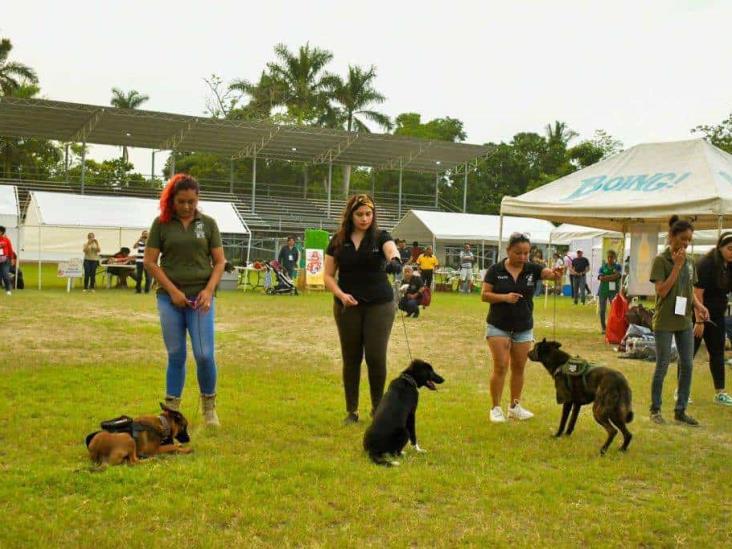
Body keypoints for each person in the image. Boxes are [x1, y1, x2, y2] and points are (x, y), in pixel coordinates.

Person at [144, 174, 226, 427]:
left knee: (203, 354)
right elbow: (149, 262)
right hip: (170, 299)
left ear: (198, 199)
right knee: (176, 354)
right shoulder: (161, 224)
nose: (187, 206)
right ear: (172, 200)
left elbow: (220, 261)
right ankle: (171, 412)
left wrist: (209, 291)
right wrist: (173, 292)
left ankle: (209, 409)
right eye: (181, 201)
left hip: (200, 298)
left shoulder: (209, 224)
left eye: (192, 201)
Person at [324, 193, 402, 424]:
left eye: (369, 214)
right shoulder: (338, 240)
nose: (364, 218)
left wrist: (395, 261)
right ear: (351, 215)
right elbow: (328, 275)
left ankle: (378, 408)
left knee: (376, 357)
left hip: (380, 304)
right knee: (351, 358)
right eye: (359, 214)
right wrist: (340, 295)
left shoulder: (380, 236)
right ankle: (352, 410)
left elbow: (392, 251)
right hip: (348, 305)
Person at [482, 232, 562, 423]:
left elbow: (548, 275)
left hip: (524, 326)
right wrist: (504, 298)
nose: (523, 257)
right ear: (508, 250)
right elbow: (485, 295)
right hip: (498, 325)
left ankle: (515, 406)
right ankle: (495, 408)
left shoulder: (532, 269)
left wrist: (556, 274)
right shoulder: (495, 270)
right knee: (501, 366)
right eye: (518, 253)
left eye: (526, 253)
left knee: (519, 367)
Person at [649, 215, 709, 426]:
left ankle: (680, 409)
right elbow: (662, 291)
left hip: (684, 320)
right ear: (671, 236)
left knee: (687, 364)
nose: (685, 243)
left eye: (689, 240)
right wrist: (676, 266)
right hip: (664, 321)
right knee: (663, 364)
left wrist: (699, 306)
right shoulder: (660, 260)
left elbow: (688, 289)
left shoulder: (690, 262)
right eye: (682, 238)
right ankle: (655, 409)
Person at [692, 232, 732, 406]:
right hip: (698, 313)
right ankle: (682, 392)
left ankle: (720, 393)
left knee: (717, 353)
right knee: (689, 354)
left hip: (717, 315)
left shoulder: (729, 265)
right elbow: (697, 293)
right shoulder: (706, 264)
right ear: (720, 247)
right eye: (730, 249)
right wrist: (699, 321)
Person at [597, 250, 622, 334]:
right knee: (602, 310)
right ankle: (603, 328)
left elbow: (617, 276)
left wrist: (606, 277)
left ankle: (613, 327)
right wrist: (612, 277)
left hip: (613, 291)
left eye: (611, 257)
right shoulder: (602, 267)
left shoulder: (618, 266)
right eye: (608, 257)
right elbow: (601, 278)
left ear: (614, 258)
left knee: (614, 310)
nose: (610, 259)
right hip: (603, 291)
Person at [0, 226, 15, 296]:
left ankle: (8, 290)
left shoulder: (6, 240)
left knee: (5, 275)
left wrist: (12, 259)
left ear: (2, 232)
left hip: (5, 260)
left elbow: (10, 250)